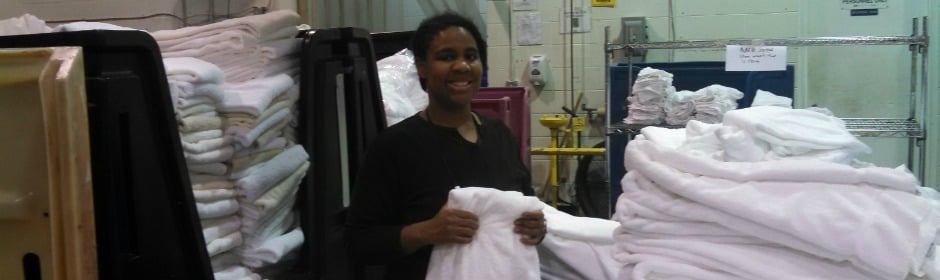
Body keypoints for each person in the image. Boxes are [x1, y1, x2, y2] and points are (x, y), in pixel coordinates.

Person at [344, 12, 547, 279]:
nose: (462, 66)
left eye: (471, 56)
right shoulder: (394, 146)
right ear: (422, 67)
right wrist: (427, 231)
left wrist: (538, 228)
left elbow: (525, 203)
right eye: (447, 56)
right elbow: (360, 241)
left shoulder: (500, 136)